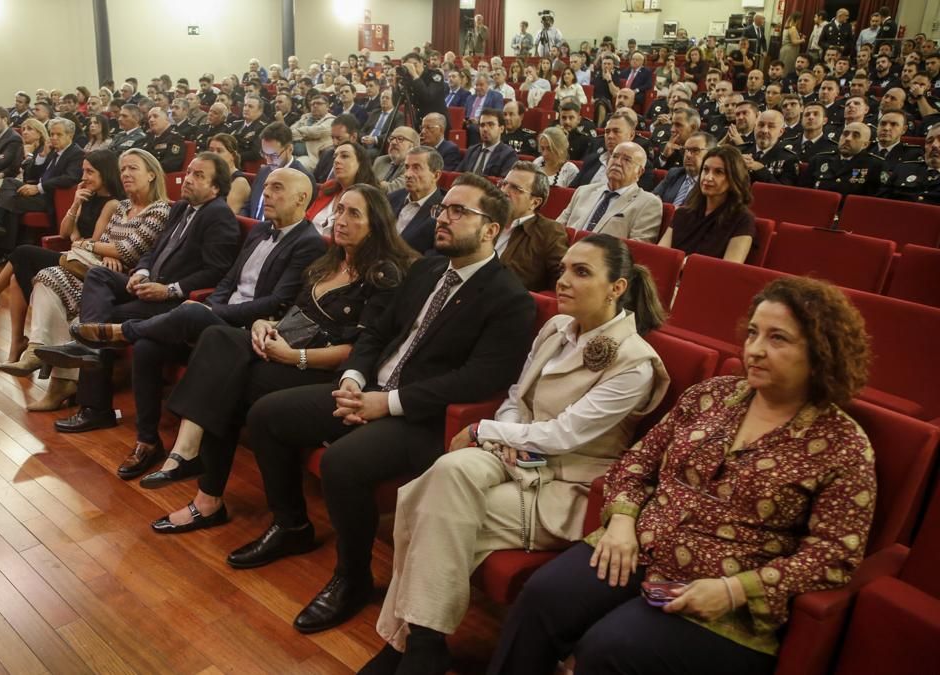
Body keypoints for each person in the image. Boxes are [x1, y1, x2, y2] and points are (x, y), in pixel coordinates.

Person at [488, 276, 876, 675]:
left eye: (778, 338)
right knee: (541, 598)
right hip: (635, 547)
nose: (756, 349)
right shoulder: (713, 396)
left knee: (610, 648)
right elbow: (637, 462)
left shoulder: (842, 444)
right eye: (753, 333)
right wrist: (621, 522)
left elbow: (835, 554)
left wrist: (735, 590)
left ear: (821, 350)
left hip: (721, 591)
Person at [232, 173, 536, 634]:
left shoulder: (509, 298)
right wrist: (353, 378)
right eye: (443, 209)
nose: (443, 218)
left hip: (423, 418)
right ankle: (291, 525)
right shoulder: (427, 269)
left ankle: (352, 578)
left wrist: (387, 402)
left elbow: (479, 379)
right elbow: (376, 331)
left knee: (342, 463)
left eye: (459, 212)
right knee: (267, 415)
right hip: (368, 388)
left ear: (491, 229)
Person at [363, 233, 670, 674]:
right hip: (515, 454)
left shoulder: (635, 362)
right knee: (446, 476)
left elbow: (565, 435)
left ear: (616, 287)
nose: (563, 280)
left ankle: (408, 644)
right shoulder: (556, 327)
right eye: (563, 269)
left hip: (565, 483)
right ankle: (423, 646)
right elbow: (516, 397)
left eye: (581, 272)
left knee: (428, 508)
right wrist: (504, 439)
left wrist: (484, 430)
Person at [147, 185, 418, 526]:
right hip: (283, 345)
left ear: (375, 224)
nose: (341, 220)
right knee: (217, 339)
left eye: (354, 214)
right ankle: (191, 462)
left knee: (230, 382)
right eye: (340, 210)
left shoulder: (383, 274)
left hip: (322, 367)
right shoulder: (329, 260)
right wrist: (264, 324)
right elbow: (291, 315)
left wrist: (294, 356)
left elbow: (361, 351)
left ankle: (206, 493)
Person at [37, 167, 321, 481]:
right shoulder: (260, 230)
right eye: (266, 186)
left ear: (301, 198)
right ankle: (147, 441)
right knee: (147, 346)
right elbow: (228, 280)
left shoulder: (309, 242)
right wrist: (209, 305)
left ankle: (113, 335)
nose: (265, 193)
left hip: (249, 331)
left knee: (188, 313)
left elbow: (276, 302)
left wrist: (210, 310)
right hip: (214, 314)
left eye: (277, 188)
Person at [0, 148, 130, 370]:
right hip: (74, 255)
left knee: (23, 252)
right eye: (83, 171)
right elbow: (66, 233)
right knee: (16, 279)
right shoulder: (86, 196)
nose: (83, 177)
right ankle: (17, 343)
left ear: (105, 173)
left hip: (87, 264)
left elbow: (92, 242)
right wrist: (75, 204)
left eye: (90, 172)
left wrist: (78, 239)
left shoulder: (112, 203)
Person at [0, 118, 85, 261]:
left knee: (12, 201)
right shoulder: (53, 151)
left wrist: (38, 188)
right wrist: (42, 156)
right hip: (39, 191)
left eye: (58, 135)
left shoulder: (76, 153)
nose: (53, 138)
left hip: (51, 198)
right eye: (52, 134)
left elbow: (69, 178)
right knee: (9, 182)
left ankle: (2, 243)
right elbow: (31, 175)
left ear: (70, 135)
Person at [659, 145, 756, 263]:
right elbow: (660, 256)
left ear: (734, 178)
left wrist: (685, 264)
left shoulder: (743, 220)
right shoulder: (682, 213)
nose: (708, 177)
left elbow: (729, 268)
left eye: (719, 172)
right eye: (705, 170)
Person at [558, 142, 662, 242]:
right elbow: (557, 228)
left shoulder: (649, 203)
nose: (617, 162)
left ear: (639, 172)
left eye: (627, 160)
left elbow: (638, 247)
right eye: (615, 156)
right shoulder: (583, 191)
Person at [497, 162, 569, 292]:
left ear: (534, 202)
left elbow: (563, 280)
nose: (504, 191)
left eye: (515, 188)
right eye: (504, 184)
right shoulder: (485, 218)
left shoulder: (549, 232)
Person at [307, 141, 378, 235]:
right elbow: (307, 219)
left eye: (344, 156)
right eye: (335, 157)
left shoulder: (370, 198)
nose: (336, 160)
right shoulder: (328, 187)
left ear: (361, 164)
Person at [800, 122, 885, 197]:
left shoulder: (875, 166)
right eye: (845, 134)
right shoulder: (819, 160)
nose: (848, 138)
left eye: (855, 136)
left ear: (865, 144)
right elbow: (804, 192)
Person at [389, 146, 446, 254]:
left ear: (436, 175)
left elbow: (435, 257)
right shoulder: (392, 198)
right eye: (407, 167)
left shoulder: (443, 211)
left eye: (416, 168)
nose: (407, 174)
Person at [653, 131, 715, 207]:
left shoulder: (710, 183)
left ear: (710, 154)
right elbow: (652, 198)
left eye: (695, 150)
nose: (688, 155)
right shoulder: (674, 173)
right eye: (686, 150)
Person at [457, 109, 518, 177]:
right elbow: (456, 176)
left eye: (490, 125)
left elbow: (503, 182)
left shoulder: (509, 155)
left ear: (501, 129)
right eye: (482, 125)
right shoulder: (471, 151)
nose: (485, 129)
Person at [743, 110, 799, 185]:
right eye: (761, 125)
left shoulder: (789, 158)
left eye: (771, 126)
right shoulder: (740, 151)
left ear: (781, 132)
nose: (764, 130)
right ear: (754, 127)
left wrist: (760, 169)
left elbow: (784, 190)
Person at [208, 133, 251, 214]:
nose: (214, 154)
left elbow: (226, 214)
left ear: (233, 155)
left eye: (219, 151)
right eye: (211, 150)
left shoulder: (239, 182)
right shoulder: (212, 176)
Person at [372, 127, 419, 193]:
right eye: (391, 138)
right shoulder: (380, 160)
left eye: (400, 139)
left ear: (413, 147)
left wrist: (373, 184)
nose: (393, 142)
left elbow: (395, 189)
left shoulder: (415, 166)